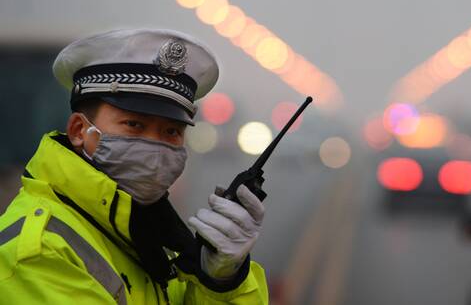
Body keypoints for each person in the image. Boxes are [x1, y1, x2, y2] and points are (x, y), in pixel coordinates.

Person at [0, 28, 269, 304]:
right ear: (80, 131)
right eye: (134, 125)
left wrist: (222, 282)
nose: (154, 149)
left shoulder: (146, 234)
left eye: (172, 132)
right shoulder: (39, 252)